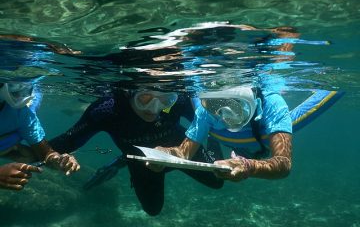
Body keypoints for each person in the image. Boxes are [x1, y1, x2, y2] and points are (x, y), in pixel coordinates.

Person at [49, 88, 224, 216]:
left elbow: (206, 121)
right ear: (129, 92)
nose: (154, 108)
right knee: (153, 209)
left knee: (217, 182)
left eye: (165, 100)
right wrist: (35, 152)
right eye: (145, 98)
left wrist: (214, 136)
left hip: (182, 149)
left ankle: (214, 145)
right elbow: (68, 140)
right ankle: (124, 159)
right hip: (141, 160)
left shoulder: (179, 99)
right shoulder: (108, 109)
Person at [152, 83, 292, 182]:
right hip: (232, 145)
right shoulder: (205, 111)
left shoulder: (272, 104)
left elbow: (284, 163)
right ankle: (211, 137)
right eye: (214, 105)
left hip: (255, 149)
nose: (224, 116)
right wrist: (165, 154)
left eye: (235, 106)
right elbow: (184, 152)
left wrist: (249, 166)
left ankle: (213, 138)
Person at [0, 81, 80, 191]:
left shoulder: (21, 114)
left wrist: (58, 160)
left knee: (29, 156)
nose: (20, 94)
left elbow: (46, 154)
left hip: (10, 135)